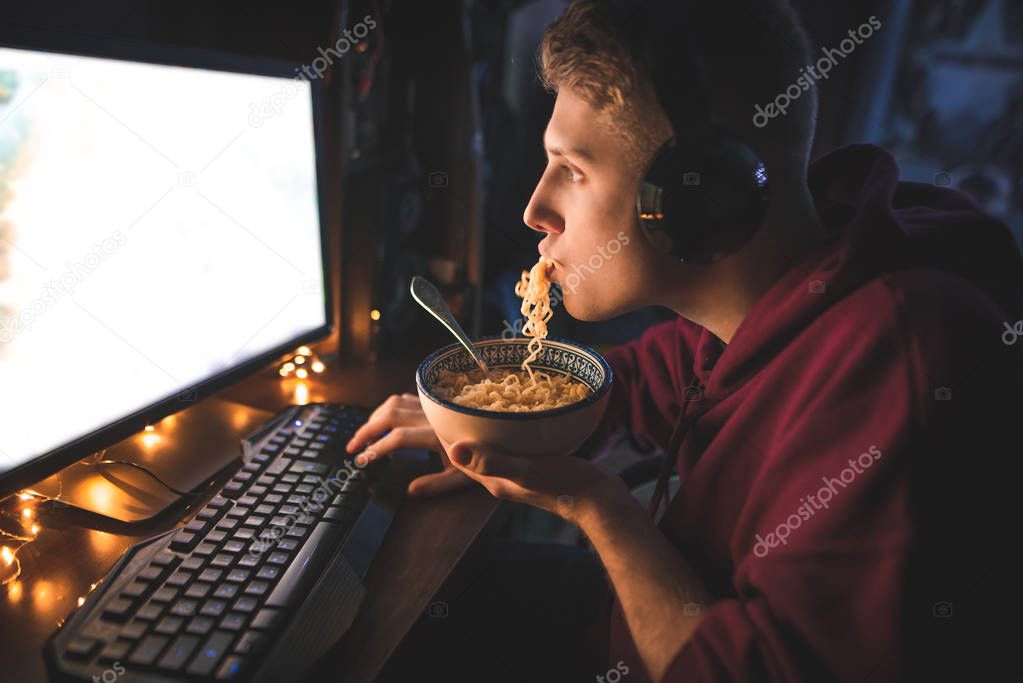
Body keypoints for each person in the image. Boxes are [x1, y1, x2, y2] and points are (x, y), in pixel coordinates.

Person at [349, 1, 1023, 680]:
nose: (535, 211)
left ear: (694, 198)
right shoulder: (776, 296)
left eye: (573, 170)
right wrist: (495, 416)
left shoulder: (893, 361)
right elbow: (643, 380)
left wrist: (596, 503)